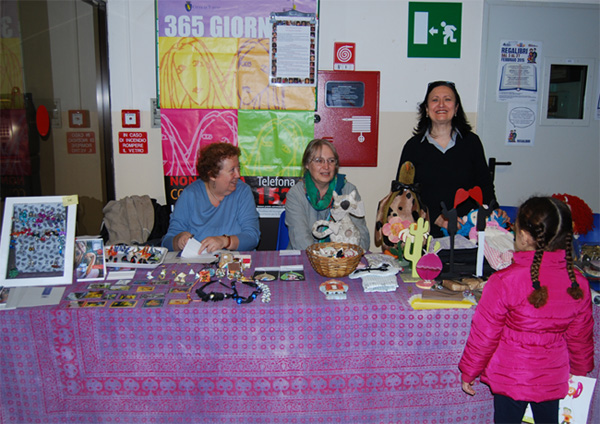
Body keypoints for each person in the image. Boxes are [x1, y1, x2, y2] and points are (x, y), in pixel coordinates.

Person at [459, 196, 594, 424]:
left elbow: (484, 335)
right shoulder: (577, 282)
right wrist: (581, 369)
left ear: (522, 235)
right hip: (553, 378)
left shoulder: (504, 281)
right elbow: (581, 335)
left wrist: (470, 370)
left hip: (510, 376)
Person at [397, 81, 499, 237]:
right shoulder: (413, 147)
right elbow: (403, 194)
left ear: (456, 108)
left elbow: (484, 184)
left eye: (448, 99)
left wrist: (494, 209)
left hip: (468, 228)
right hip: (426, 231)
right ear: (426, 109)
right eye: (435, 100)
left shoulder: (472, 142)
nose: (441, 105)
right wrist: (435, 217)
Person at [162, 143, 260, 253]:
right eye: (232, 170)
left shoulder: (243, 192)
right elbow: (167, 242)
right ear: (212, 175)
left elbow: (252, 237)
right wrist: (179, 240)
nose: (238, 175)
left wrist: (225, 241)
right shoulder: (190, 194)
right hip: (197, 261)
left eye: (238, 168)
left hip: (235, 260)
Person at [285, 138, 370, 251]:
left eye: (331, 160)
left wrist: (348, 255)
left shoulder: (349, 191)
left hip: (345, 256)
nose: (326, 166)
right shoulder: (295, 194)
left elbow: (362, 236)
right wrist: (326, 256)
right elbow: (300, 240)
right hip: (306, 256)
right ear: (307, 164)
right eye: (319, 160)